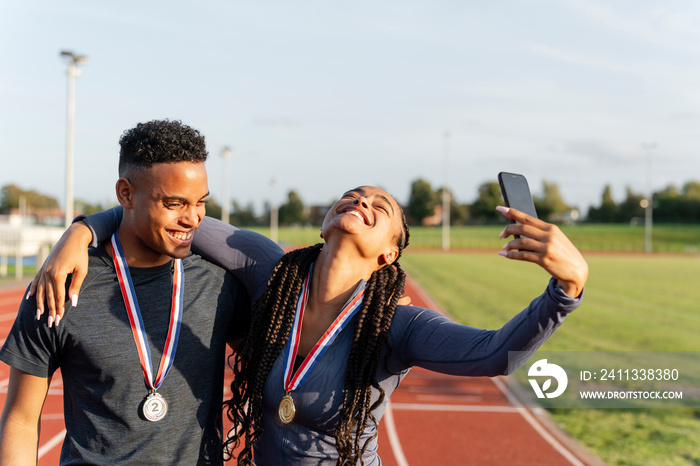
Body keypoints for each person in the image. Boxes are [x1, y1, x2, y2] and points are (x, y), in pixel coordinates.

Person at [39, 184, 588, 465]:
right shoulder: (267, 270)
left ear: (388, 257)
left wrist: (567, 288)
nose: (362, 201)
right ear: (328, 220)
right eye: (354, 195)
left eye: (382, 206)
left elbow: (494, 354)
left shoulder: (396, 326)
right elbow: (173, 215)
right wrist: (81, 233)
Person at [0, 119, 281, 464]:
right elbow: (21, 420)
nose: (193, 219)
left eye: (201, 202)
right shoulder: (61, 285)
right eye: (175, 203)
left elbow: (276, 371)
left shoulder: (219, 285)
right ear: (126, 194)